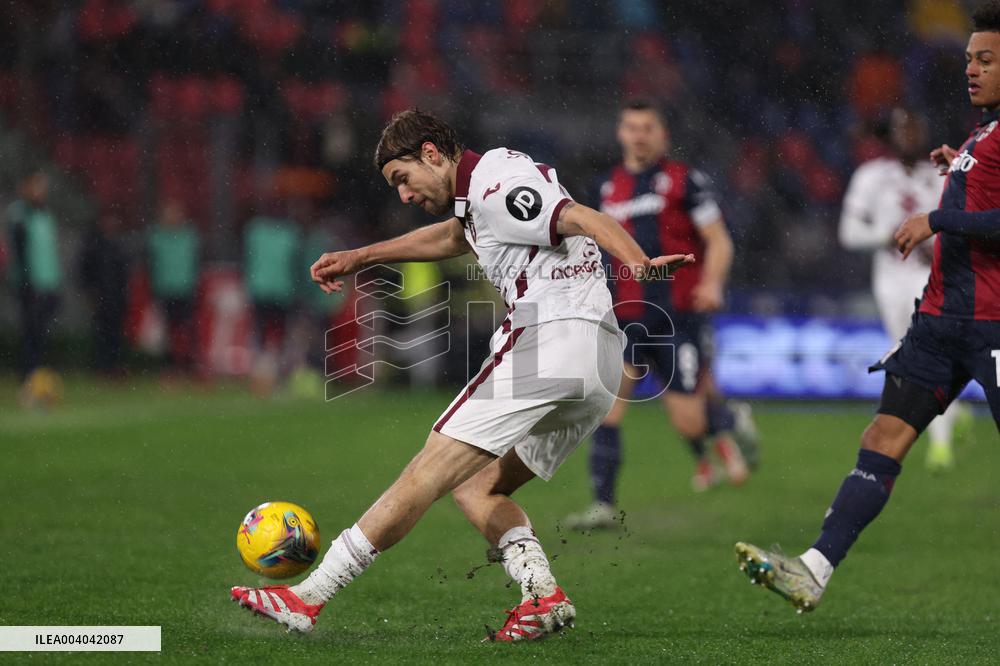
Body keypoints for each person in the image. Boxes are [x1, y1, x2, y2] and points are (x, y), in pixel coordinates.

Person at [230, 108, 694, 640]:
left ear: (431, 153)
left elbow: (582, 216)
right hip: (597, 362)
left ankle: (307, 597)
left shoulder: (497, 183)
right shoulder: (481, 198)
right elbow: (455, 237)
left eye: (402, 179)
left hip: (551, 340)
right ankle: (542, 597)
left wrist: (636, 261)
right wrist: (360, 256)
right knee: (477, 489)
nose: (402, 196)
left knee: (425, 471)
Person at [736, 1, 1000, 613]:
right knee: (883, 433)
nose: (972, 70)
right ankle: (813, 570)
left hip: (992, 325)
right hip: (939, 322)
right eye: (968, 60)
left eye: (986, 60)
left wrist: (936, 215)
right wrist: (953, 169)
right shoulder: (982, 132)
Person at [566, 101, 759, 531]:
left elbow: (719, 240)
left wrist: (711, 283)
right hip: (625, 318)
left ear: (662, 135)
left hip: (676, 317)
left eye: (647, 127)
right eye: (631, 127)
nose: (639, 135)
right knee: (607, 409)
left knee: (686, 419)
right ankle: (602, 505)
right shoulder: (605, 187)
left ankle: (728, 419)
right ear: (620, 133)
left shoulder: (685, 181)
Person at [840, 107, 970, 471]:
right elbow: (848, 233)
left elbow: (964, 222)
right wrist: (886, 236)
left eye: (915, 127)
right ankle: (952, 412)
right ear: (891, 135)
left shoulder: (944, 174)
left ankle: (940, 445)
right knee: (910, 353)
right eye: (902, 128)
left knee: (931, 352)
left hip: (935, 277)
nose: (909, 135)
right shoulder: (871, 177)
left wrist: (940, 238)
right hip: (890, 281)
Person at [5, 170, 61, 382]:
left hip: (48, 282)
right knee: (31, 331)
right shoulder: (19, 213)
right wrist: (27, 281)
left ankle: (38, 372)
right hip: (29, 283)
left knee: (42, 332)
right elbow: (19, 250)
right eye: (36, 186)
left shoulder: (45, 214)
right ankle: (28, 374)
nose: (40, 191)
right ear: (25, 188)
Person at [147, 199, 200, 374]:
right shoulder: (157, 237)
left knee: (188, 330)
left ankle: (189, 365)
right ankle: (168, 367)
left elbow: (196, 262)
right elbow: (151, 265)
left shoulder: (190, 236)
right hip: (164, 289)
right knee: (167, 332)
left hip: (186, 289)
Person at [80, 209, 130, 375]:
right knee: (101, 332)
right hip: (101, 296)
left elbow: (124, 273)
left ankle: (114, 365)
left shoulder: (119, 245)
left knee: (116, 333)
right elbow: (84, 271)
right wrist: (90, 292)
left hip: (116, 297)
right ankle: (102, 366)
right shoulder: (93, 245)